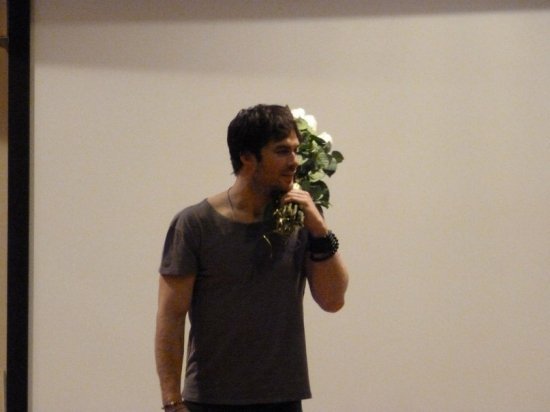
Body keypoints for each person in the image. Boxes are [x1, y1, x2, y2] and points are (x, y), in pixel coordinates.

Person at [155, 104, 349, 412]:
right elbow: (171, 316)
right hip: (211, 400)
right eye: (282, 151)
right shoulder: (194, 225)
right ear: (247, 157)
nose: (294, 161)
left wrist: (320, 230)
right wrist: (172, 402)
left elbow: (333, 300)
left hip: (282, 398)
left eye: (295, 150)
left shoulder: (301, 218)